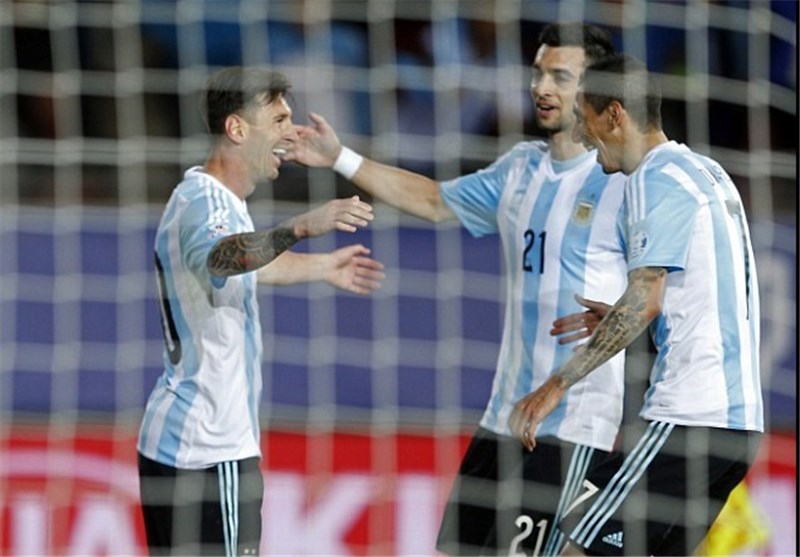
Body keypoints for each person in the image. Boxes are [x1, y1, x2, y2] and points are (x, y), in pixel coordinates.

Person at [285, 23, 628, 556]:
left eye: (560, 76)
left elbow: (661, 288)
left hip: (571, 426)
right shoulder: (520, 169)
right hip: (502, 418)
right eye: (538, 73)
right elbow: (433, 200)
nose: (542, 87)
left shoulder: (624, 182)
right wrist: (339, 158)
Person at [509, 54, 763, 556]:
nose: (580, 133)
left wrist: (554, 386)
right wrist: (625, 315)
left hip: (688, 417)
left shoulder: (653, 177)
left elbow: (645, 298)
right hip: (737, 426)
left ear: (614, 114)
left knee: (576, 546)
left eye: (583, 117)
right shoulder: (707, 172)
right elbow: (697, 292)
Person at [137, 66, 384, 556]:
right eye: (278, 120)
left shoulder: (208, 199)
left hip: (179, 441)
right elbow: (224, 257)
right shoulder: (207, 203)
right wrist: (300, 228)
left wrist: (323, 267)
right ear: (236, 128)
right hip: (209, 446)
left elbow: (246, 266)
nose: (290, 132)